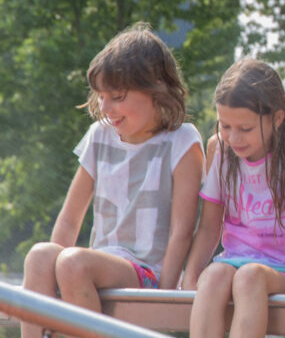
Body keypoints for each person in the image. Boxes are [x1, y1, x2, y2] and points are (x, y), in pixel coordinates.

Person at [20, 23, 204, 338]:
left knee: (73, 262)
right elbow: (69, 219)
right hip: (95, 266)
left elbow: (183, 231)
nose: (105, 108)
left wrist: (165, 293)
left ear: (156, 89)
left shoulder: (182, 141)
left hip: (146, 273)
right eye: (101, 96)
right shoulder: (100, 136)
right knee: (40, 254)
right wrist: (52, 274)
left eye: (116, 97)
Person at [183, 58, 285, 337]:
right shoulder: (219, 149)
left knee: (249, 277)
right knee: (211, 277)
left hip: (284, 271)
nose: (233, 138)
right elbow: (209, 225)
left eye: (245, 129)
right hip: (232, 260)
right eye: (225, 126)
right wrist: (190, 277)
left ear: (277, 118)